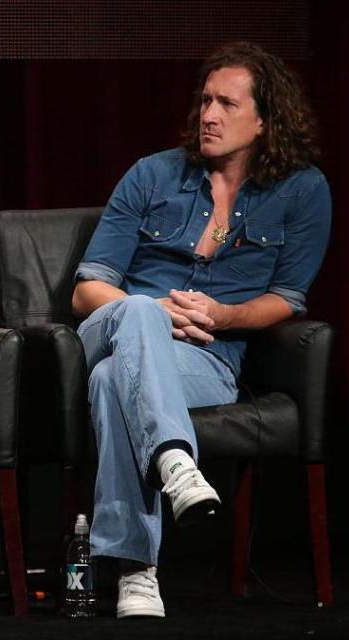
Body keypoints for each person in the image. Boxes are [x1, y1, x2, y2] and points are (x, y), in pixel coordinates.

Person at [72, 41, 331, 618]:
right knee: (137, 313)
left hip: (207, 361)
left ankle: (138, 571)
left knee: (116, 383)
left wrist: (224, 316)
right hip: (112, 330)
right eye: (206, 101)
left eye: (227, 105)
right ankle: (173, 460)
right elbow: (87, 289)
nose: (208, 115)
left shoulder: (302, 190)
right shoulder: (153, 174)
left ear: (265, 120)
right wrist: (155, 310)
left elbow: (286, 299)